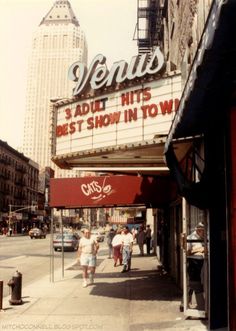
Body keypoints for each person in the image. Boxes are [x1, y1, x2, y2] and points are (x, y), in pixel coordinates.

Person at [187, 222, 206, 309]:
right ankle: (201, 306)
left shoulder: (204, 237)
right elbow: (187, 252)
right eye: (202, 231)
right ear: (198, 230)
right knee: (194, 283)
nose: (203, 233)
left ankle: (184, 303)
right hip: (193, 263)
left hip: (202, 263)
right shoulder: (190, 238)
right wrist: (198, 250)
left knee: (191, 284)